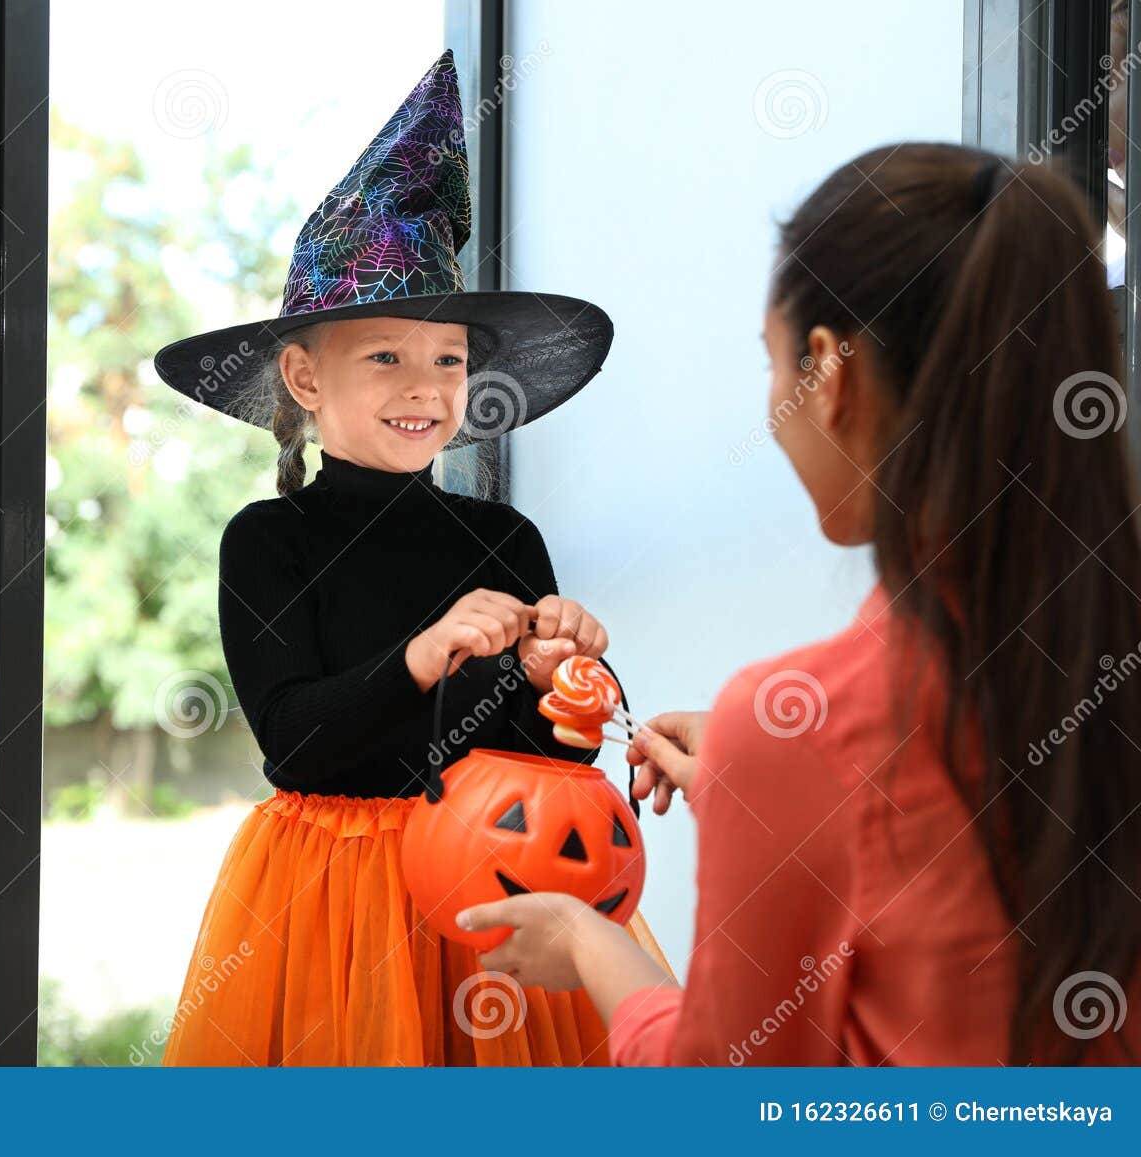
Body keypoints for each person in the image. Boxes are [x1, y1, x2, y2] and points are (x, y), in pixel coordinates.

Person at [460, 142, 1141, 1066]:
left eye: (772, 364)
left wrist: (593, 945)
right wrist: (764, 793)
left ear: (831, 373)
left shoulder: (798, 728)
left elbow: (726, 1097)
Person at [151, 51, 665, 1066]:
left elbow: (550, 768)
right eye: (384, 354)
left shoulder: (504, 540)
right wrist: (422, 656)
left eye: (447, 359)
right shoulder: (269, 539)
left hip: (490, 891)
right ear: (303, 373)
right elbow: (297, 742)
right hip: (329, 907)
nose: (422, 384)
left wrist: (561, 684)